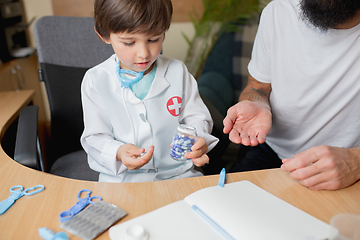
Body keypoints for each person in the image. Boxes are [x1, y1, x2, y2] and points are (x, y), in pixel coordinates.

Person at [223, 0, 360, 190]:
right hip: (272, 151)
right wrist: (257, 104)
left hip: (349, 161)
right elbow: (257, 87)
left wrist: (355, 161)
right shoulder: (278, 11)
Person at [81, 0, 218, 182]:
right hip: (123, 179)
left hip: (179, 175)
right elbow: (95, 136)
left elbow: (197, 118)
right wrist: (119, 152)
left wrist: (198, 140)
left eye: (153, 39)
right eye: (129, 43)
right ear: (104, 35)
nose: (144, 53)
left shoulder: (178, 72)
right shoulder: (95, 80)